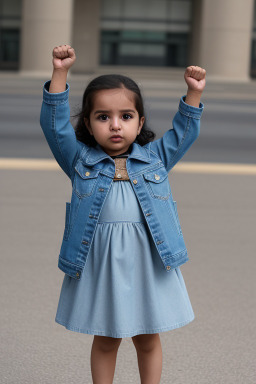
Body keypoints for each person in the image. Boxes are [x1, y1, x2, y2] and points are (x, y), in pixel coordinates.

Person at [40, 44, 206, 384]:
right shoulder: (80, 161)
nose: (115, 126)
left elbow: (183, 135)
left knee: (147, 337)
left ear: (140, 121)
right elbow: (55, 128)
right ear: (87, 122)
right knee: (107, 337)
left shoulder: (156, 158)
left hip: (148, 260)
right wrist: (60, 73)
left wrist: (193, 93)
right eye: (103, 117)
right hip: (102, 262)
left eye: (126, 117)